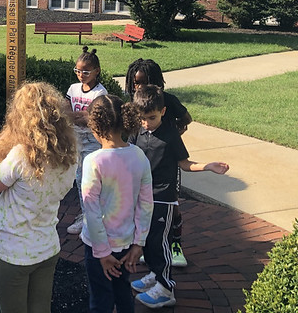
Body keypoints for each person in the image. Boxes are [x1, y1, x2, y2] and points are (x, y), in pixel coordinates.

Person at [129, 85, 229, 309]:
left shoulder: (171, 135)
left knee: (159, 242)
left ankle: (166, 288)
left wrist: (209, 166)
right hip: (142, 197)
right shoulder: (138, 131)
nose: (146, 123)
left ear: (163, 111)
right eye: (142, 118)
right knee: (146, 241)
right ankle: (155, 275)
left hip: (163, 198)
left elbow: (185, 164)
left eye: (151, 118)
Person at [0, 82, 77, 313]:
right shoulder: (70, 154)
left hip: (12, 252)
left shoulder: (20, 155)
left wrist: (0, 146)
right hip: (47, 247)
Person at [80, 95, 152, 313]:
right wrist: (139, 243)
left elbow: (91, 212)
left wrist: (102, 253)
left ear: (95, 126)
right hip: (128, 242)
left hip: (97, 247)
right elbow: (146, 203)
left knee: (100, 300)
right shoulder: (139, 156)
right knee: (123, 294)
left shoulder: (93, 161)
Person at [125, 58, 193, 267]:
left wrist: (178, 129)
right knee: (144, 205)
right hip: (143, 158)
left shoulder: (167, 100)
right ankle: (147, 244)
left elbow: (187, 117)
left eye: (144, 82)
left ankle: (175, 244)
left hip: (166, 156)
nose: (140, 87)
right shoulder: (134, 101)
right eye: (136, 83)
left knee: (172, 205)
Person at [64, 46, 108, 235]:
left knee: (88, 180)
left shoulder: (100, 93)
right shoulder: (73, 88)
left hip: (92, 140)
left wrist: (75, 116)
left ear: (96, 71)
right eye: (78, 70)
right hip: (75, 139)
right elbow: (67, 111)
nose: (81, 75)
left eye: (85, 71)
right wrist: (78, 115)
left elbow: (90, 118)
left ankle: (89, 218)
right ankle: (86, 213)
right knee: (78, 178)